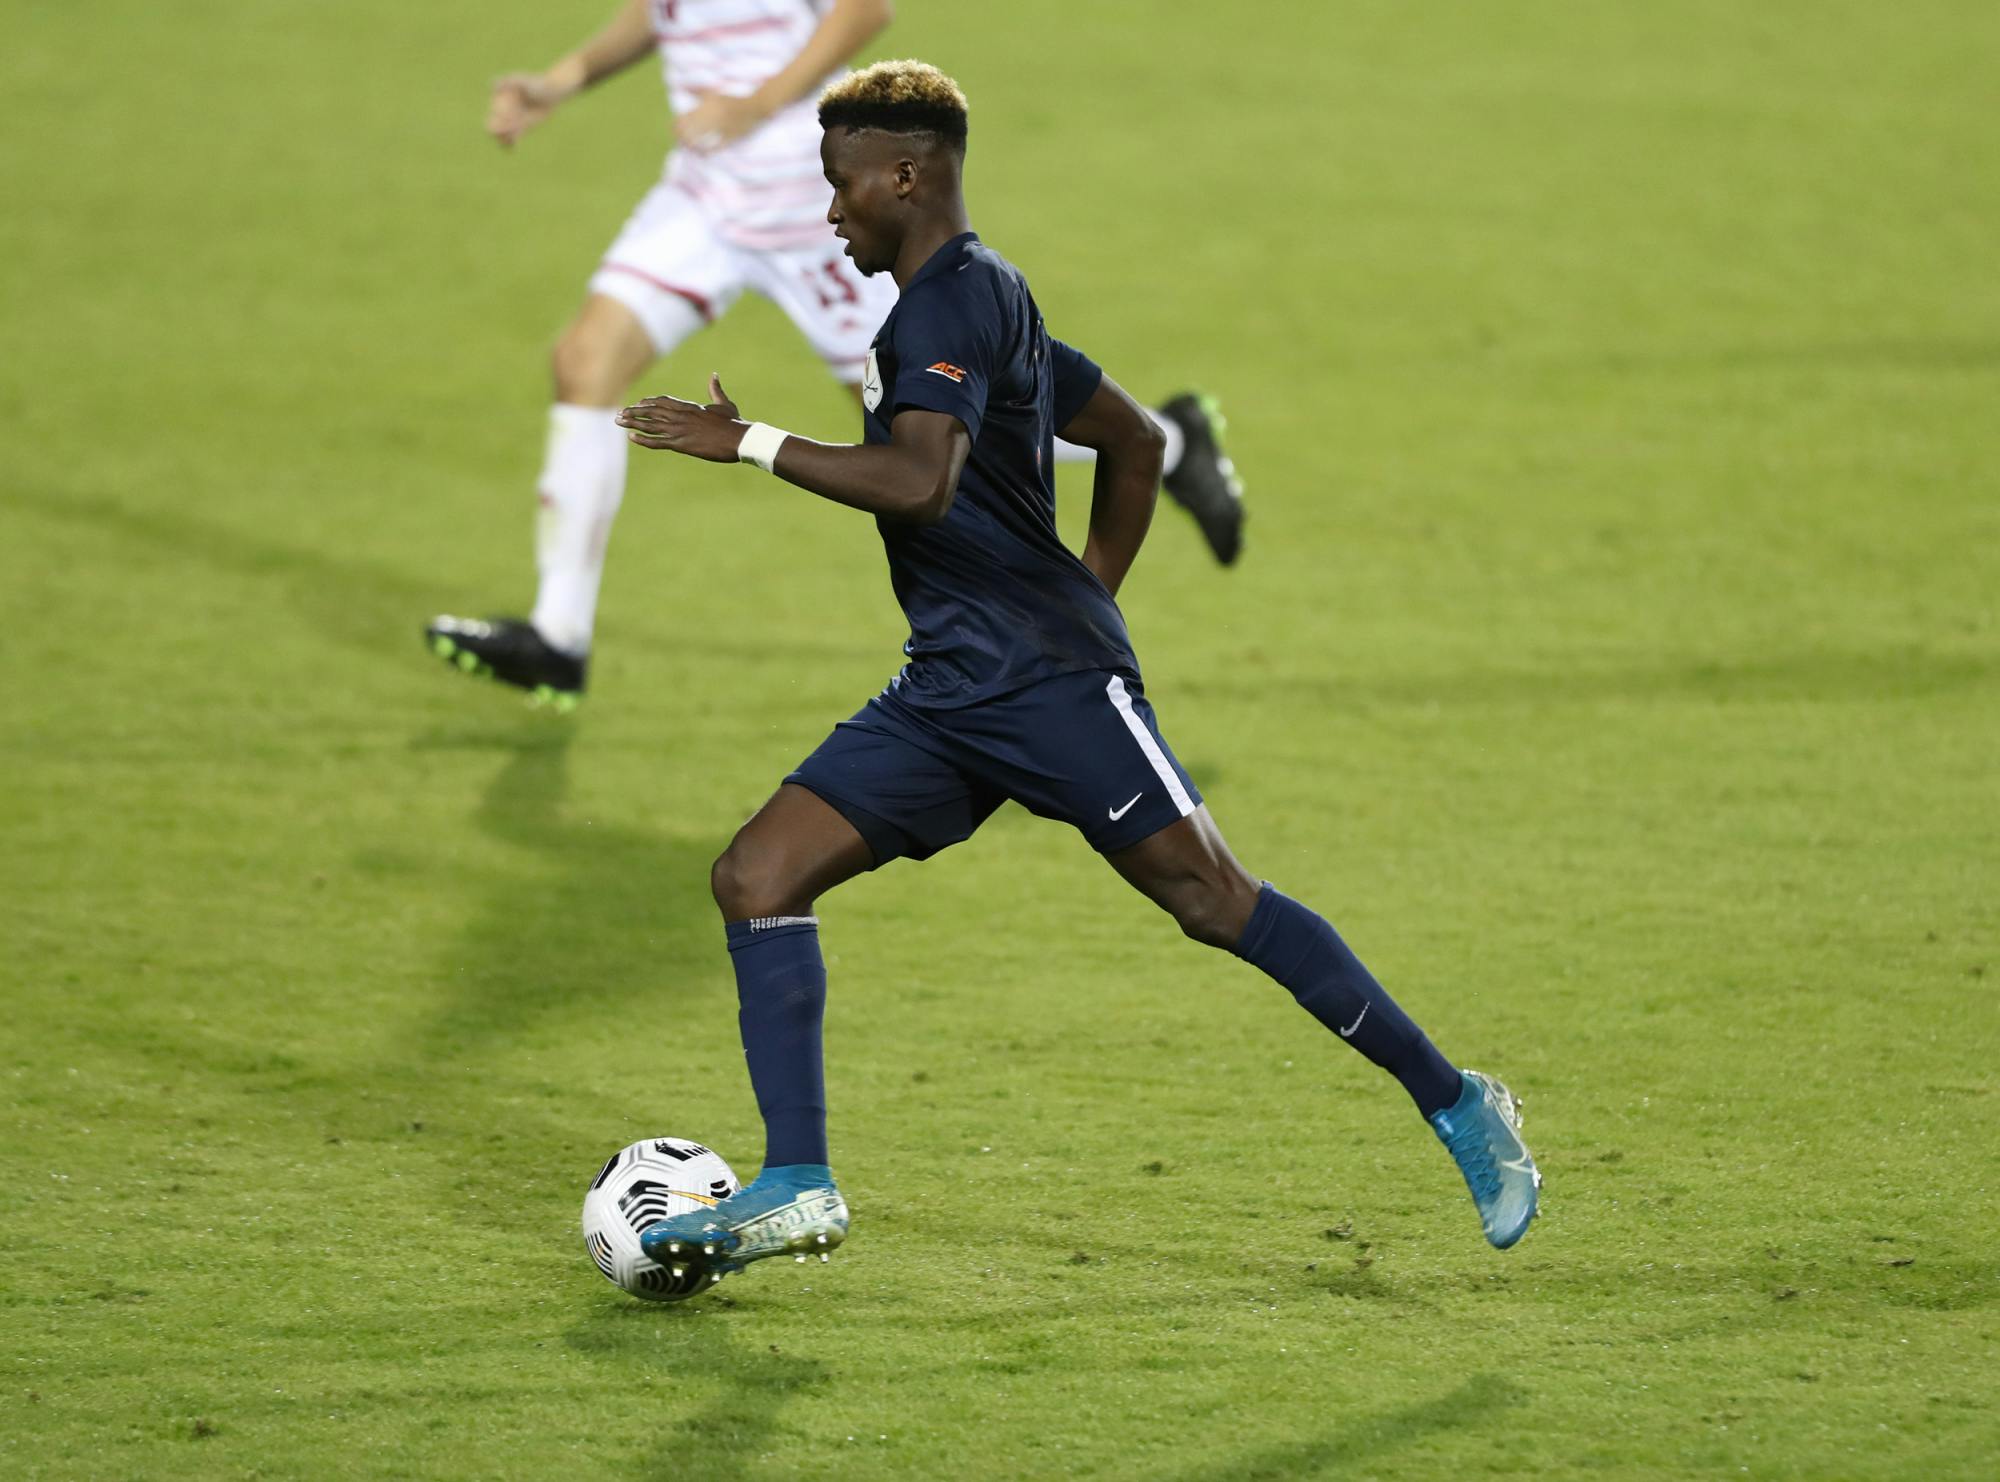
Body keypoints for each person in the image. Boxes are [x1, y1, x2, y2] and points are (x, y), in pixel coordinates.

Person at [616, 61, 1530, 1285]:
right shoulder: (982, 295)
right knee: (756, 873)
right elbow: (1136, 439)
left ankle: (1459, 1102)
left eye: (839, 187)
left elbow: (917, 483)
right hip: (948, 688)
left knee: (1211, 898)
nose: (829, 215)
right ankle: (798, 1182)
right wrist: (1086, 583)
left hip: (1043, 684)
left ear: (906, 174)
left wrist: (751, 442)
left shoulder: (946, 309)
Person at [426, 4, 1244, 713]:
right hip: (705, 196)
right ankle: (558, 637)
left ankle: (1165, 441)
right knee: (584, 362)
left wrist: (756, 104)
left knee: (933, 411)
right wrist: (563, 79)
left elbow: (864, 10)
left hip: (819, 203)